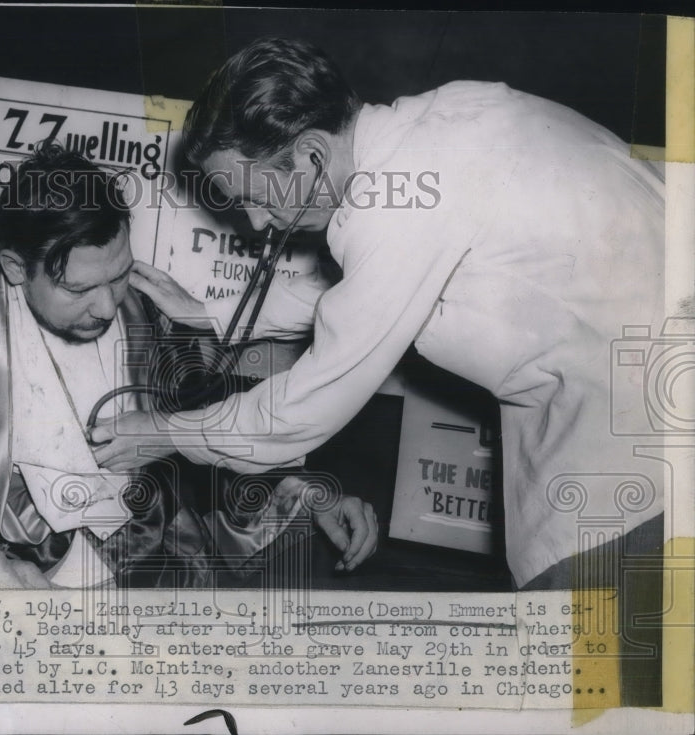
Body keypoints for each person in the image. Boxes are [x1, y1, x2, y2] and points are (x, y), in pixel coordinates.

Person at [91, 37, 670, 590]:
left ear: (312, 153)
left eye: (256, 198)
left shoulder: (395, 202)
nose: (258, 224)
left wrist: (165, 432)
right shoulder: (434, 131)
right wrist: (210, 312)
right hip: (641, 429)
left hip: (637, 461)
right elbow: (356, 294)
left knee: (592, 679)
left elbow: (303, 410)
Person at [0, 143, 375, 588]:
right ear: (17, 268)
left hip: (147, 552)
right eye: (78, 290)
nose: (106, 308)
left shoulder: (147, 311)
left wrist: (305, 493)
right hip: (22, 570)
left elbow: (206, 427)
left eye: (118, 275)